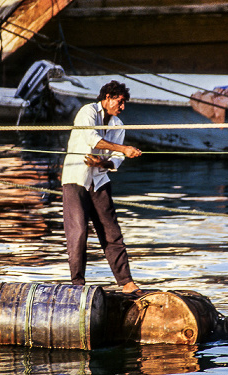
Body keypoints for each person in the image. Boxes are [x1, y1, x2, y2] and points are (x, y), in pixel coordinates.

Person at [61, 80, 142, 293]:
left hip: (99, 181)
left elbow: (114, 161)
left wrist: (102, 163)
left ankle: (127, 283)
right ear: (107, 98)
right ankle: (78, 285)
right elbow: (92, 139)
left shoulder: (118, 125)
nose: (122, 107)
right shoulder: (87, 112)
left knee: (111, 233)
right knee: (78, 233)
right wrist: (124, 148)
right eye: (120, 102)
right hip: (76, 178)